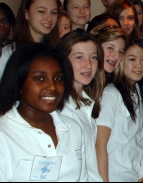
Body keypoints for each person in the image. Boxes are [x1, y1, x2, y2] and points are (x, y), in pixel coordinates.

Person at [0, 43, 87, 182]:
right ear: (19, 83)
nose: (52, 86)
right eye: (39, 78)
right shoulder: (2, 136)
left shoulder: (72, 128)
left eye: (58, 78)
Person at [96, 38, 143, 182]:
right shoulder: (112, 94)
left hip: (134, 174)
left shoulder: (139, 92)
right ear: (121, 60)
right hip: (115, 174)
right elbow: (99, 144)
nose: (139, 65)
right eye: (132, 59)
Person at [57, 29, 105, 182]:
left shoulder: (87, 102)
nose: (88, 65)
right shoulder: (60, 110)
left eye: (93, 57)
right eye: (79, 57)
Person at [0, 0, 61, 85]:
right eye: (42, 11)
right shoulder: (8, 55)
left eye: (53, 12)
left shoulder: (57, 51)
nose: (49, 18)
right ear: (26, 13)